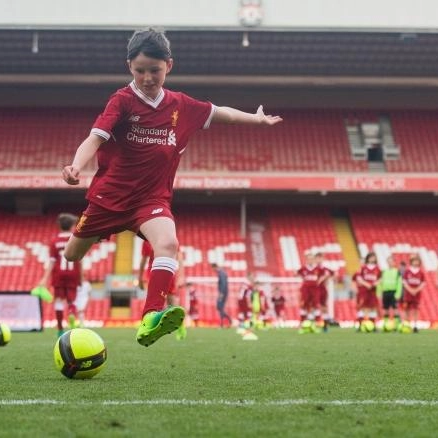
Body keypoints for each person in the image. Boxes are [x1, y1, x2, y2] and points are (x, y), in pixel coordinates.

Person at [60, 28, 282, 346]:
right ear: (129, 68)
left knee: (168, 245)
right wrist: (76, 166)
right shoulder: (122, 101)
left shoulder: (181, 106)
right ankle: (100, 236)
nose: (148, 77)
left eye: (155, 70)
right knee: (71, 256)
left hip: (151, 200)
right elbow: (95, 137)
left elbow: (223, 114)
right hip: (109, 199)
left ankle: (151, 317)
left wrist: (257, 120)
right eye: (140, 71)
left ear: (169, 66)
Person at [36, 213, 83, 337]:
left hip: (58, 274)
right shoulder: (76, 239)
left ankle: (60, 329)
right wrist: (81, 277)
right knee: (72, 299)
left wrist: (44, 278)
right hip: (73, 273)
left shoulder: (54, 241)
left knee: (58, 300)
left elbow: (51, 261)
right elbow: (80, 259)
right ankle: (72, 313)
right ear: (72, 226)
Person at [138, 239, 187, 339]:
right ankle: (147, 325)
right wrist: (139, 278)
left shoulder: (169, 236)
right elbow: (143, 260)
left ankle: (181, 327)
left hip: (168, 270)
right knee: (151, 299)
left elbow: (179, 255)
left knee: (172, 303)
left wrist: (181, 275)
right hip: (152, 272)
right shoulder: (147, 241)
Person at [354, 252, 381, 331]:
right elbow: (358, 278)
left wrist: (375, 283)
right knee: (364, 307)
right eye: (371, 257)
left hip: (373, 291)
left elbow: (380, 278)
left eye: (374, 257)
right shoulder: (363, 268)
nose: (372, 259)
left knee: (373, 307)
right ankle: (362, 324)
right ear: (368, 258)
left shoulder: (377, 268)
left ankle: (372, 325)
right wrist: (366, 284)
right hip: (364, 290)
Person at [377, 255, 402, 331]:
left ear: (394, 263)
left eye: (392, 261)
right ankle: (386, 324)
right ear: (387, 262)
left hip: (393, 292)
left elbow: (399, 283)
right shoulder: (383, 271)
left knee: (395, 309)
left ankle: (397, 325)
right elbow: (380, 283)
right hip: (385, 292)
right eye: (389, 261)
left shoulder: (397, 272)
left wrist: (398, 293)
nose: (390, 263)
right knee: (385, 309)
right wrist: (379, 292)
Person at [402, 254, 425, 333]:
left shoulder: (420, 272)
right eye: (414, 261)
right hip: (408, 294)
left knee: (415, 309)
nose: (416, 262)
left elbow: (422, 283)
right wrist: (411, 290)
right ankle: (406, 324)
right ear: (411, 262)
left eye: (417, 261)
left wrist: (416, 290)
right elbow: (404, 282)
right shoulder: (408, 271)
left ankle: (415, 325)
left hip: (417, 294)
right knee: (406, 309)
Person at [297, 253, 321, 327]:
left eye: (311, 259)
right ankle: (302, 322)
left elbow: (325, 275)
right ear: (306, 260)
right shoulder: (303, 269)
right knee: (304, 304)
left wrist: (319, 281)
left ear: (313, 260)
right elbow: (297, 273)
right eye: (309, 259)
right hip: (306, 288)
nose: (310, 260)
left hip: (315, 289)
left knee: (316, 304)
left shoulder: (317, 269)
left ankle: (317, 322)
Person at [315, 252, 334, 332]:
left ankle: (325, 326)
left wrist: (327, 279)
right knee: (313, 306)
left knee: (324, 307)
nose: (319, 260)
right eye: (318, 258)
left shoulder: (326, 269)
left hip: (322, 289)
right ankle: (313, 324)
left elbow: (333, 275)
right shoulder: (313, 268)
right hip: (313, 289)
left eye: (321, 258)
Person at [211, 262, 232, 328]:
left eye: (213, 268)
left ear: (215, 267)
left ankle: (224, 322)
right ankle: (225, 321)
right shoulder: (222, 273)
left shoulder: (221, 273)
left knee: (220, 307)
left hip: (223, 293)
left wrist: (221, 293)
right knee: (220, 307)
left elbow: (223, 284)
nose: (213, 270)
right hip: (223, 292)